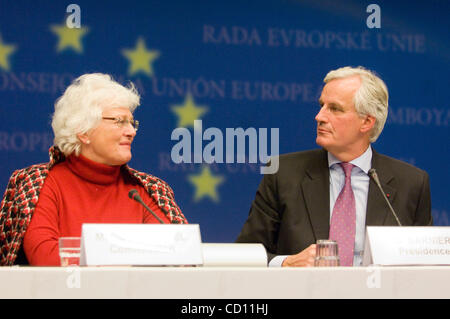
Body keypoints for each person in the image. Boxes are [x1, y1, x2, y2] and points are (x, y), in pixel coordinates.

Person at [236, 66, 432, 267]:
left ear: (366, 122)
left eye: (335, 109)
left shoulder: (411, 184)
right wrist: (286, 263)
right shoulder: (283, 174)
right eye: (322, 105)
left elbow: (428, 266)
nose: (319, 116)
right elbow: (244, 254)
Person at [0, 73, 187, 266]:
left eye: (132, 122)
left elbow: (177, 256)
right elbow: (47, 259)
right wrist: (127, 256)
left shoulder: (149, 190)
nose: (131, 131)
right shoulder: (38, 184)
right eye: (119, 121)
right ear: (83, 131)